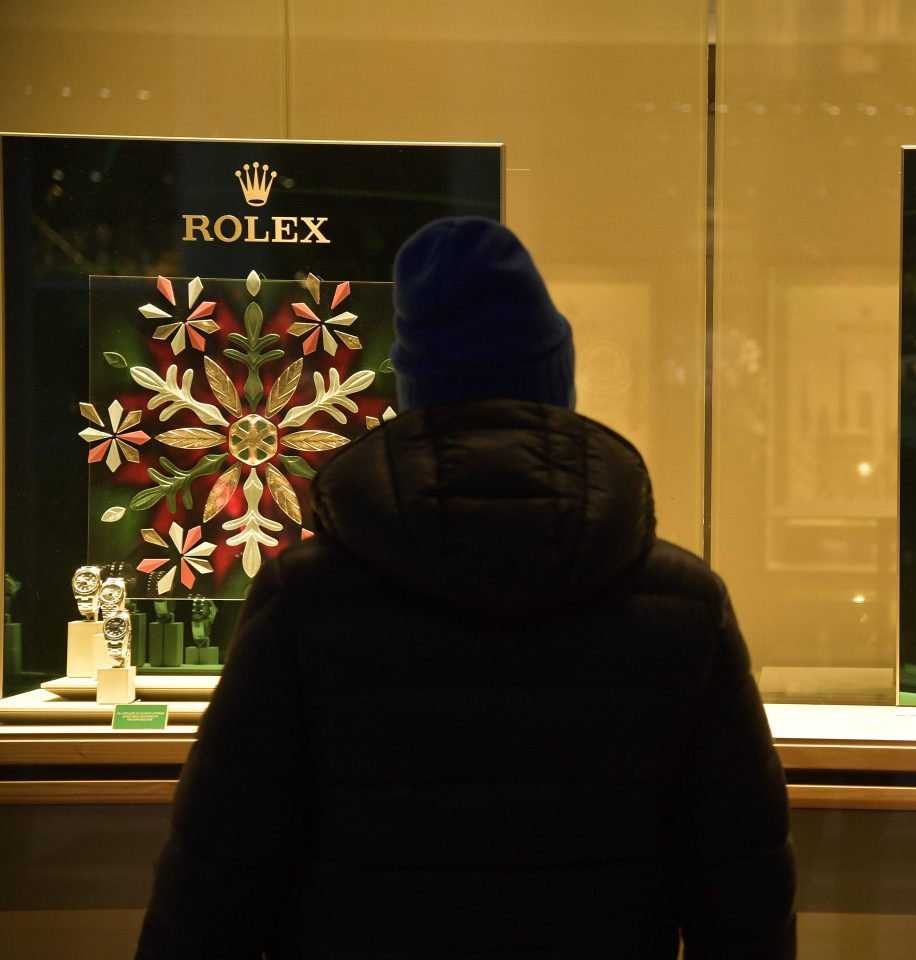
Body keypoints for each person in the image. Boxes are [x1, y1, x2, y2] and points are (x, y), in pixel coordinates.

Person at [136, 217, 797, 959]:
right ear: (557, 382)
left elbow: (215, 882)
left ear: (412, 390)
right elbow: (743, 890)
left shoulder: (307, 601)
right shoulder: (681, 603)